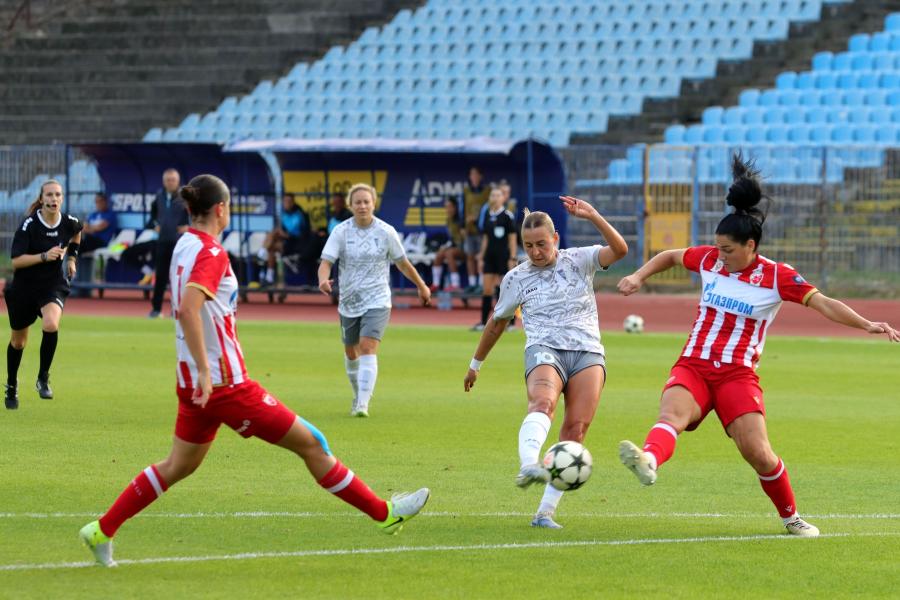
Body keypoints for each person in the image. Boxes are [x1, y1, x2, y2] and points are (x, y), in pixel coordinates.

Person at [78, 174, 430, 567]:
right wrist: (208, 373)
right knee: (313, 443)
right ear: (221, 209)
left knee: (178, 465)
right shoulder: (211, 253)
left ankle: (101, 529)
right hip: (225, 384)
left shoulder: (184, 243)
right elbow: (189, 309)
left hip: (192, 383)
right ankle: (384, 514)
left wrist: (199, 374)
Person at [615, 155, 900, 537]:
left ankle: (790, 517)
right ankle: (648, 460)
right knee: (671, 418)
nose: (719, 256)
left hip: (737, 374)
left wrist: (866, 323)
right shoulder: (711, 261)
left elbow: (824, 302)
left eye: (728, 250)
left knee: (758, 453)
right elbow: (670, 256)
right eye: (717, 248)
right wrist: (637, 275)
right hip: (694, 364)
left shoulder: (777, 276)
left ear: (751, 245)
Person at [463, 196, 628, 528]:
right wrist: (475, 364)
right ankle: (528, 464)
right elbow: (496, 322)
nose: (535, 252)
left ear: (555, 239)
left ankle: (545, 512)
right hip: (543, 348)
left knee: (576, 428)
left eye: (541, 244)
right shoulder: (516, 278)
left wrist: (593, 214)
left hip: (587, 352)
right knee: (542, 401)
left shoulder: (580, 260)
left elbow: (620, 250)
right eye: (528, 246)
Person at [317, 183, 432, 417]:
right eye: (357, 202)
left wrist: (421, 286)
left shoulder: (386, 231)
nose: (362, 206)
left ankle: (362, 404)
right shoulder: (340, 231)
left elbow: (402, 263)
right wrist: (323, 279)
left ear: (373, 204)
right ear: (351, 205)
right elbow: (326, 262)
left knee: (368, 346)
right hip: (349, 301)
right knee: (351, 352)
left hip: (378, 299)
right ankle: (358, 393)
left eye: (366, 202)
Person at [4, 180, 83, 409]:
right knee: (18, 343)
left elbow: (78, 233)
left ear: (62, 198)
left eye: (58, 194)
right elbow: (16, 261)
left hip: (51, 285)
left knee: (51, 324)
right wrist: (44, 256)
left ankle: (42, 377)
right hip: (24, 288)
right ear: (41, 198)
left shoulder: (69, 222)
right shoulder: (29, 225)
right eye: (49, 195)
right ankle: (11, 384)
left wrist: (72, 258)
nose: (54, 199)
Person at [472, 187, 517, 331]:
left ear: (503, 198)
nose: (495, 198)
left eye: (498, 195)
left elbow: (512, 238)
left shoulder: (507, 216)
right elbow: (485, 238)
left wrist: (512, 257)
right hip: (490, 257)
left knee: (505, 290)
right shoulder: (487, 215)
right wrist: (481, 255)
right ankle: (483, 322)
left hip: (504, 257)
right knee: (486, 289)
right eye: (492, 195)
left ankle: (509, 324)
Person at [147, 168, 190, 318]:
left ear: (178, 181)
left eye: (173, 180)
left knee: (179, 278)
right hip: (162, 242)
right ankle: (156, 309)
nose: (170, 182)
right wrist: (155, 225)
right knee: (160, 277)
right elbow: (151, 219)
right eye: (167, 180)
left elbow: (194, 217)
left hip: (180, 244)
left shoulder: (186, 197)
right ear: (163, 181)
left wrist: (188, 227)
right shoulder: (158, 197)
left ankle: (177, 309)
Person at [259, 193, 312, 286]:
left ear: (293, 202)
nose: (286, 203)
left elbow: (304, 234)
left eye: (289, 201)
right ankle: (269, 274)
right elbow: (281, 231)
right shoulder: (283, 214)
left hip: (297, 243)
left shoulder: (300, 215)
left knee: (272, 247)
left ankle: (264, 254)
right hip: (286, 242)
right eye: (285, 201)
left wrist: (287, 235)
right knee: (273, 234)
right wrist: (283, 234)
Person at [461, 166, 490, 293]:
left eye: (475, 174)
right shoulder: (466, 191)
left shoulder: (488, 191)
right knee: (470, 256)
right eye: (471, 175)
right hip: (469, 230)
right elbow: (462, 209)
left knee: (481, 257)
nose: (473, 177)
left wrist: (477, 219)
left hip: (482, 230)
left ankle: (481, 284)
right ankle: (472, 283)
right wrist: (463, 225)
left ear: (481, 176)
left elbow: (488, 209)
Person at [430, 197, 465, 292]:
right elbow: (452, 239)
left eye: (450, 207)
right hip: (455, 247)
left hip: (466, 249)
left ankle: (455, 284)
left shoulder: (461, 220)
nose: (448, 209)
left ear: (455, 207)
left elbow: (463, 240)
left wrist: (450, 247)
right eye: (446, 207)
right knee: (439, 254)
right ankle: (436, 284)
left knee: (449, 253)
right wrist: (445, 247)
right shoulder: (448, 220)